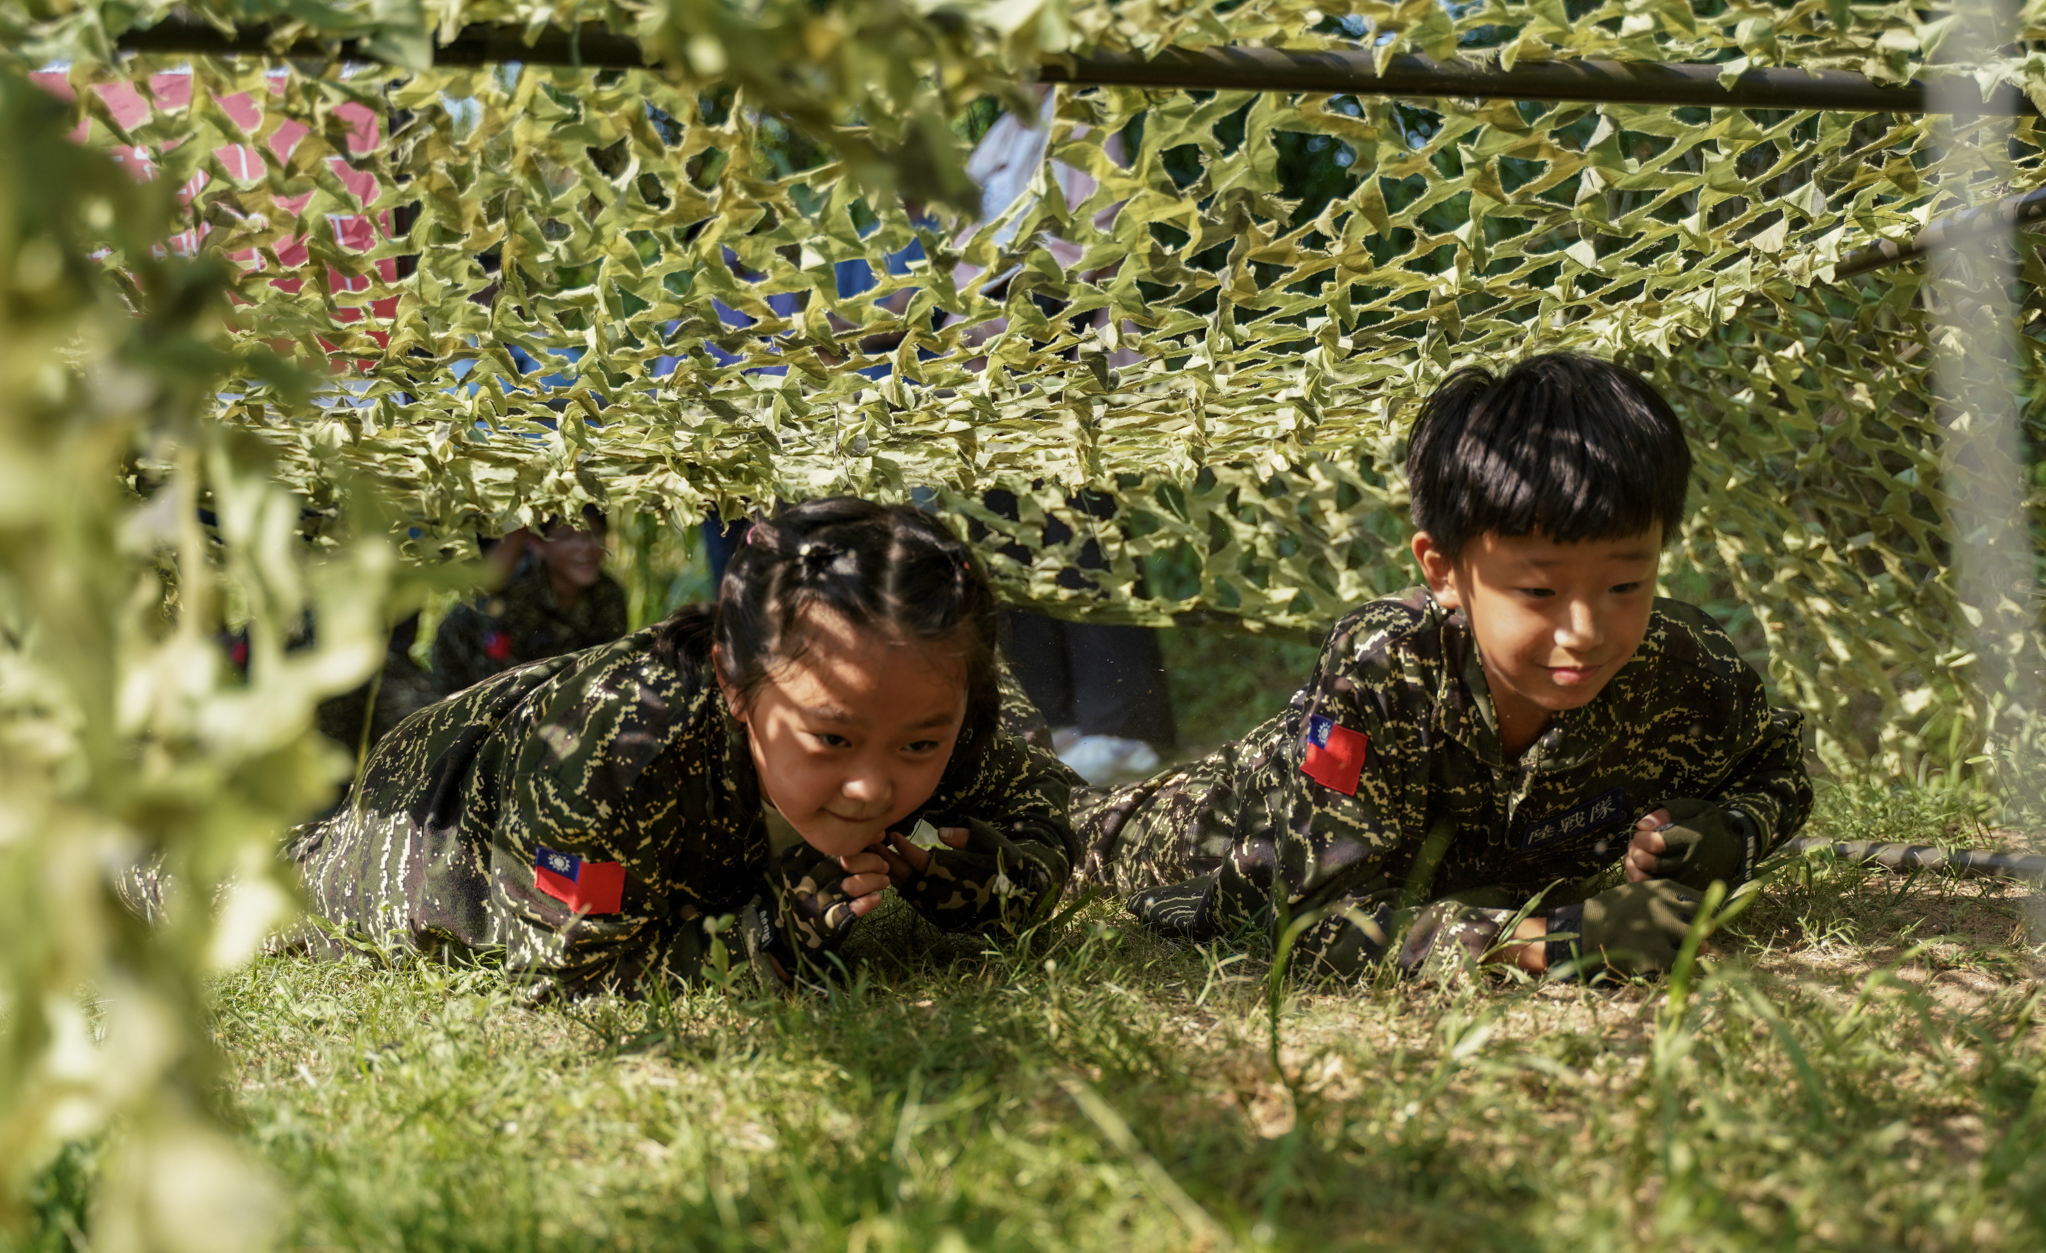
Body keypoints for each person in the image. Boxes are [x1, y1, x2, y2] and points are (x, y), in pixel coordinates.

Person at [1072, 353, 1814, 983]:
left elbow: (1778, 769)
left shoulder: (1681, 663)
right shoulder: (1382, 672)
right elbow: (1304, 916)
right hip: (1205, 822)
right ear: (1443, 569)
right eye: (1539, 591)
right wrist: (1546, 940)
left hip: (1436, 870)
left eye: (1627, 584)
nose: (1585, 631)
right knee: (1065, 835)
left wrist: (1729, 835)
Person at [292, 498, 1079, 1000]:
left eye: (918, 745)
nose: (873, 785)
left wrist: (986, 878)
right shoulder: (613, 752)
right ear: (735, 684)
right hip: (435, 813)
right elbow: (569, 963)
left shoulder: (942, 681)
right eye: (831, 737)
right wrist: (769, 935)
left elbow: (1055, 820)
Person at [433, 508, 629, 694]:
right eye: (568, 537)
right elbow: (503, 689)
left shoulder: (608, 594)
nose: (586, 547)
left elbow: (607, 670)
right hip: (470, 696)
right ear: (537, 544)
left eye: (594, 534)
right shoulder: (514, 595)